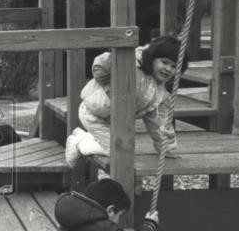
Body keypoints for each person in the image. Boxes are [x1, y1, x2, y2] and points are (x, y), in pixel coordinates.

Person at [65, 34, 181, 169]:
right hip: (93, 114)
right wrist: (107, 85)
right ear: (152, 57)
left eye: (174, 66)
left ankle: (82, 136)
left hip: (115, 121)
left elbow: (158, 122)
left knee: (125, 149)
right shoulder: (130, 65)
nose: (168, 69)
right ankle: (78, 143)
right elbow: (101, 63)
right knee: (115, 151)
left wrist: (167, 148)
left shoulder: (160, 94)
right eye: (165, 62)